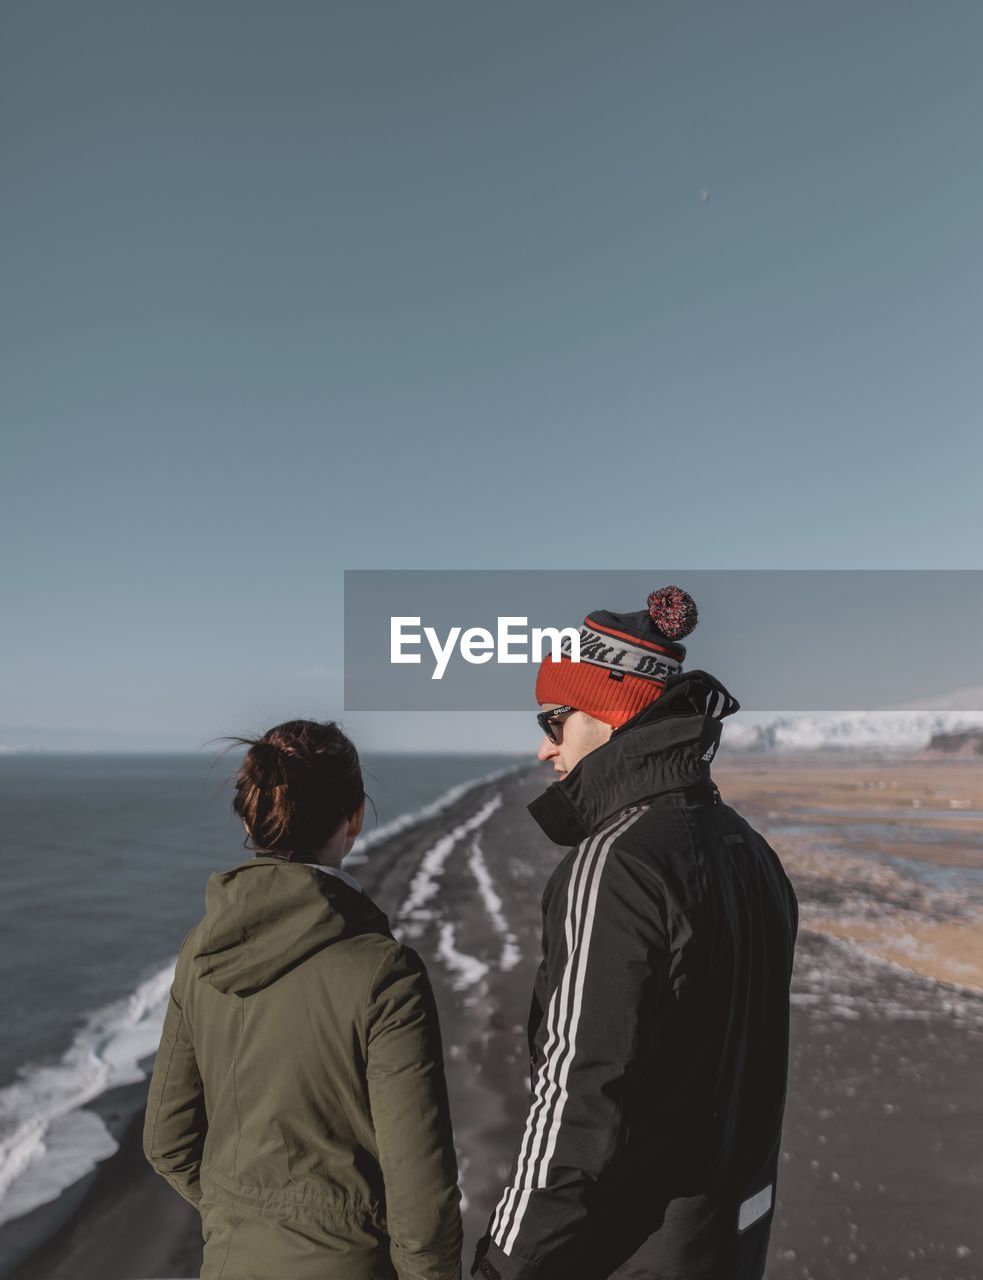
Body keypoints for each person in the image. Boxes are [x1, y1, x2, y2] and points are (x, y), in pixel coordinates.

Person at [473, 587, 798, 1280]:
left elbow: (576, 1095)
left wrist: (503, 1263)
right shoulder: (749, 850)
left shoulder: (615, 865)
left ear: (608, 716)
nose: (542, 749)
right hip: (727, 1241)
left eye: (555, 721)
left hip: (631, 1251)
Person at [143, 719, 462, 1280]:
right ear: (354, 818)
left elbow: (167, 1142)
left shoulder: (199, 951)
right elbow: (421, 1195)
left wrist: (239, 1211)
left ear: (249, 815)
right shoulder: (384, 972)